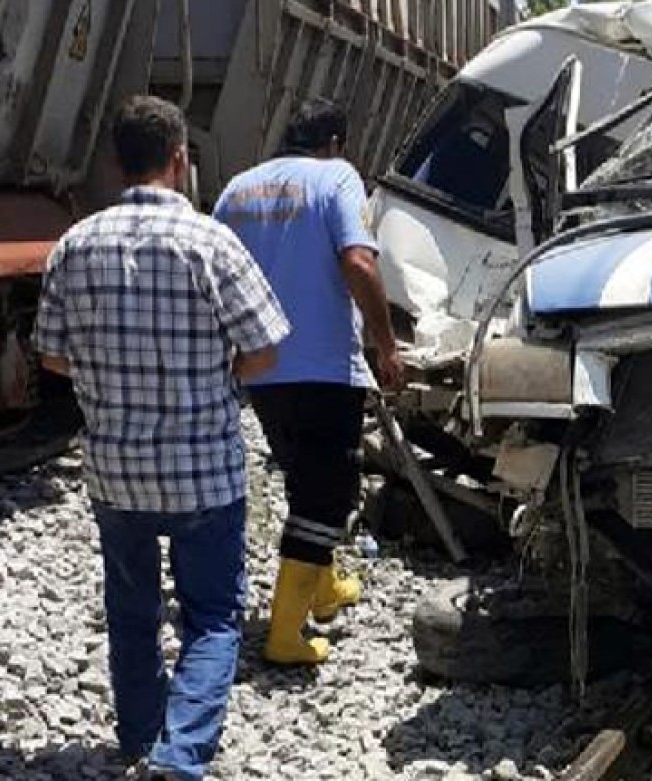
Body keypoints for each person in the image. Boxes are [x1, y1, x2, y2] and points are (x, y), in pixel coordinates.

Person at [33, 96, 290, 780]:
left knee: (131, 609)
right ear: (181, 158)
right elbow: (265, 349)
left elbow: (52, 356)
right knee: (211, 617)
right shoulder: (212, 243)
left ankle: (141, 739)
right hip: (202, 467)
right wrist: (211, 374)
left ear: (115, 162)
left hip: (115, 472)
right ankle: (178, 760)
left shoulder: (74, 245)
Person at [214, 97, 403, 665]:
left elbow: (212, 270)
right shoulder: (336, 176)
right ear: (334, 143)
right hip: (323, 366)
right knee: (328, 493)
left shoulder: (236, 189)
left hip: (262, 372)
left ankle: (321, 588)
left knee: (305, 478)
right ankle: (285, 635)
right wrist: (386, 344)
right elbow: (359, 261)